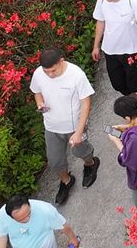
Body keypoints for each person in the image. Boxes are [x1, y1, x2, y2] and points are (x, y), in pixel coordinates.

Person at [29, 49, 99, 206]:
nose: (50, 75)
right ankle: (66, 181)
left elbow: (86, 103)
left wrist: (79, 132)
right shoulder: (39, 73)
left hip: (73, 125)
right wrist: (39, 103)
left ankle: (90, 164)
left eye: (53, 70)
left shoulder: (76, 74)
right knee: (54, 160)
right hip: (51, 125)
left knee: (80, 151)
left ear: (61, 60)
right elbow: (37, 92)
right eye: (47, 72)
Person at [0, 194, 80, 248]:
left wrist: (73, 238)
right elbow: (1, 234)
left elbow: (62, 225)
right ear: (11, 217)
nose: (27, 219)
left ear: (29, 204)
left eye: (28, 214)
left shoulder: (45, 210)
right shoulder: (3, 214)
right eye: (21, 219)